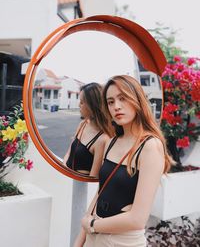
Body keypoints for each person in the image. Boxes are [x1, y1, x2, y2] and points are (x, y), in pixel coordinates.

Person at [74, 75, 173, 247]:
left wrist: (92, 225)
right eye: (110, 102)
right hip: (94, 235)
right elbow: (101, 192)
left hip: (122, 241)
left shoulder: (150, 146)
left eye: (123, 98)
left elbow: (137, 219)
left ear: (137, 100)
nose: (116, 107)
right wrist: (80, 240)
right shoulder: (112, 141)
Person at [63, 82, 113, 177]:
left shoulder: (102, 139)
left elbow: (93, 178)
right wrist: (63, 170)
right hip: (66, 178)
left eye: (82, 102)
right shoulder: (83, 124)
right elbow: (69, 152)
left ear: (92, 106)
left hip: (81, 186)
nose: (79, 105)